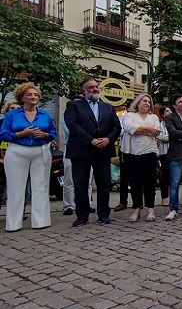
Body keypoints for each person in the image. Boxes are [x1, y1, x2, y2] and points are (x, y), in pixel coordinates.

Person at [0, 83, 56, 231]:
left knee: (41, 187)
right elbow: (3, 134)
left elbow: (53, 134)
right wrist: (20, 134)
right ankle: (13, 224)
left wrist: (45, 135)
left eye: (36, 95)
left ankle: (41, 221)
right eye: (30, 94)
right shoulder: (12, 115)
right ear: (22, 97)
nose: (34, 97)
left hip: (40, 150)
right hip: (17, 150)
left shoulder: (45, 115)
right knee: (15, 188)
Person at [64, 79, 120, 227]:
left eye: (96, 86)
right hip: (82, 151)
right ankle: (82, 215)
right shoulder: (74, 105)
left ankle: (103, 214)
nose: (95, 89)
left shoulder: (108, 107)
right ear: (84, 91)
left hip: (103, 151)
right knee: (80, 184)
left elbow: (116, 127)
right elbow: (72, 124)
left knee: (104, 184)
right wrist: (91, 140)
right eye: (91, 87)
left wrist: (108, 139)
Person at [121, 94, 161, 222]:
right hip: (132, 153)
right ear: (137, 103)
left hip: (149, 152)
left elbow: (157, 131)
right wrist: (148, 129)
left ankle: (150, 209)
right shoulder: (129, 116)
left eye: (149, 102)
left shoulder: (154, 117)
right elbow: (129, 128)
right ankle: (136, 209)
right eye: (144, 101)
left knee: (150, 182)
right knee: (135, 183)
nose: (147, 103)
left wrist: (139, 129)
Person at [61, 95, 93, 216]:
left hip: (88, 148)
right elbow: (70, 131)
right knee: (69, 178)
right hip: (72, 148)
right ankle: (68, 205)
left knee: (88, 179)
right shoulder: (67, 117)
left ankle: (87, 204)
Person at [157, 106, 172, 207]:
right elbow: (159, 136)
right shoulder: (160, 125)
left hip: (175, 152)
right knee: (165, 175)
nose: (170, 112)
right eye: (167, 111)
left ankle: (173, 197)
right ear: (163, 114)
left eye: (170, 110)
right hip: (164, 152)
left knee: (175, 176)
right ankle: (164, 197)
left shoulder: (176, 124)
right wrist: (174, 137)